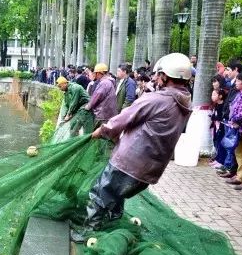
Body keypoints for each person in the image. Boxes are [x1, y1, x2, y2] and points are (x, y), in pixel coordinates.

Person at [71, 53, 193, 242]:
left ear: (166, 76)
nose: (155, 78)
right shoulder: (186, 102)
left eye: (158, 75)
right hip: (151, 169)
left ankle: (88, 232)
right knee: (117, 196)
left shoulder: (157, 99)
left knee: (101, 193)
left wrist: (102, 131)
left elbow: (125, 117)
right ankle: (112, 226)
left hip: (129, 161)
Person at [227, 64, 242, 192]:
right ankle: (240, 176)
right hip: (241, 127)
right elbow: (238, 106)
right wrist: (234, 118)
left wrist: (237, 117)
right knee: (239, 152)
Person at [84, 63, 117, 127]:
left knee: (98, 135)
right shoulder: (110, 81)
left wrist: (88, 106)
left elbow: (97, 96)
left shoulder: (104, 83)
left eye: (95, 73)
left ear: (99, 73)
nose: (95, 75)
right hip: (109, 114)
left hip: (102, 115)